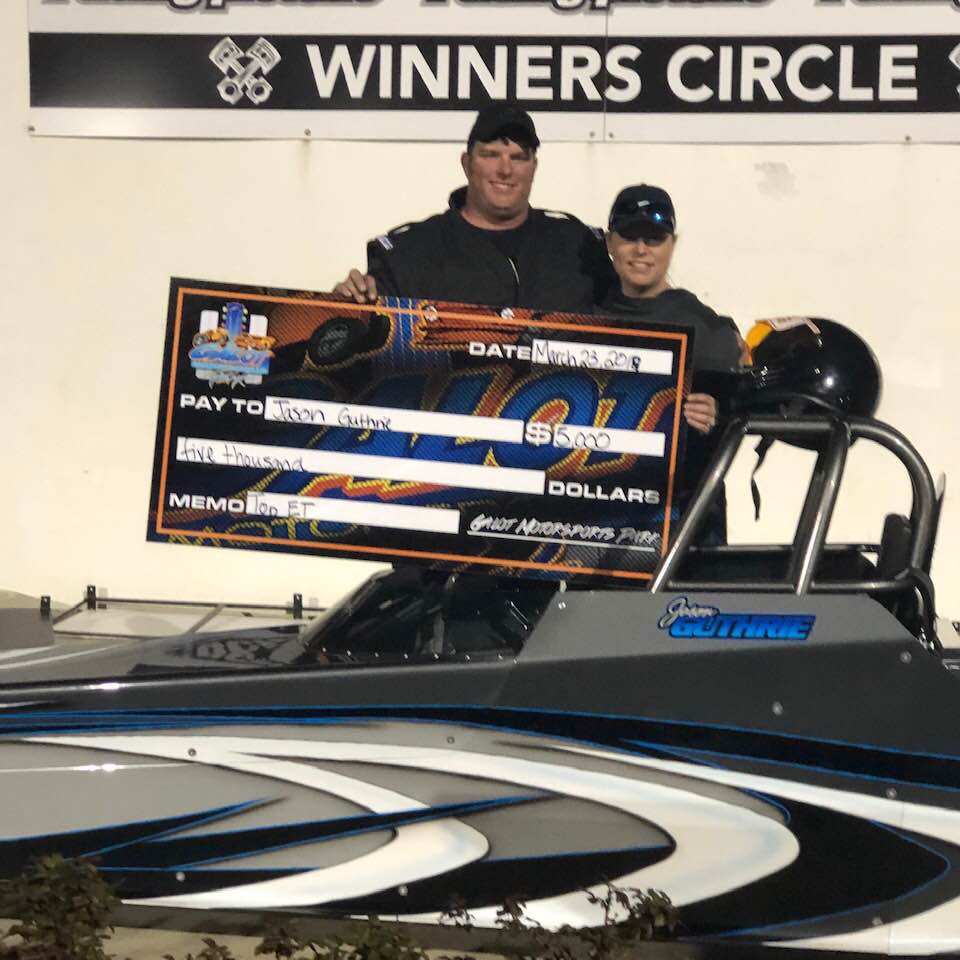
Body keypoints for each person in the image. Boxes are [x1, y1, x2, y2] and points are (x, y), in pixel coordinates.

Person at [334, 104, 615, 311]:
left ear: (534, 167)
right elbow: (366, 343)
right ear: (467, 164)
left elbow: (628, 321)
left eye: (518, 157)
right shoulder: (408, 253)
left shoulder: (579, 245)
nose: (505, 170)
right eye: (491, 155)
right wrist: (343, 308)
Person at [599, 184, 745, 543]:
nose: (641, 250)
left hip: (683, 525)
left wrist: (714, 417)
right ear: (609, 242)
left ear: (672, 244)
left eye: (654, 238)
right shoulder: (582, 318)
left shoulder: (708, 329)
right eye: (629, 236)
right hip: (597, 521)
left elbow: (735, 423)